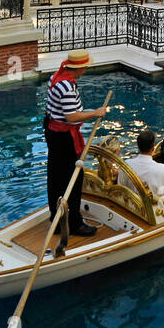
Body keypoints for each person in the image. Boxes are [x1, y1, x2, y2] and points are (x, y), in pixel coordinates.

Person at [44, 49, 106, 236]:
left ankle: (55, 216)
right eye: (84, 67)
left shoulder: (56, 76)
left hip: (53, 132)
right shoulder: (66, 87)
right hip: (64, 137)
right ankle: (74, 223)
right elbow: (72, 117)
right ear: (78, 68)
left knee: (56, 176)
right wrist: (95, 113)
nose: (86, 69)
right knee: (73, 178)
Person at [119, 130, 164, 206]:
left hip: (132, 208)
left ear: (138, 146)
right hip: (156, 210)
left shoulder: (127, 165)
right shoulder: (163, 169)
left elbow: (121, 188)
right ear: (153, 146)